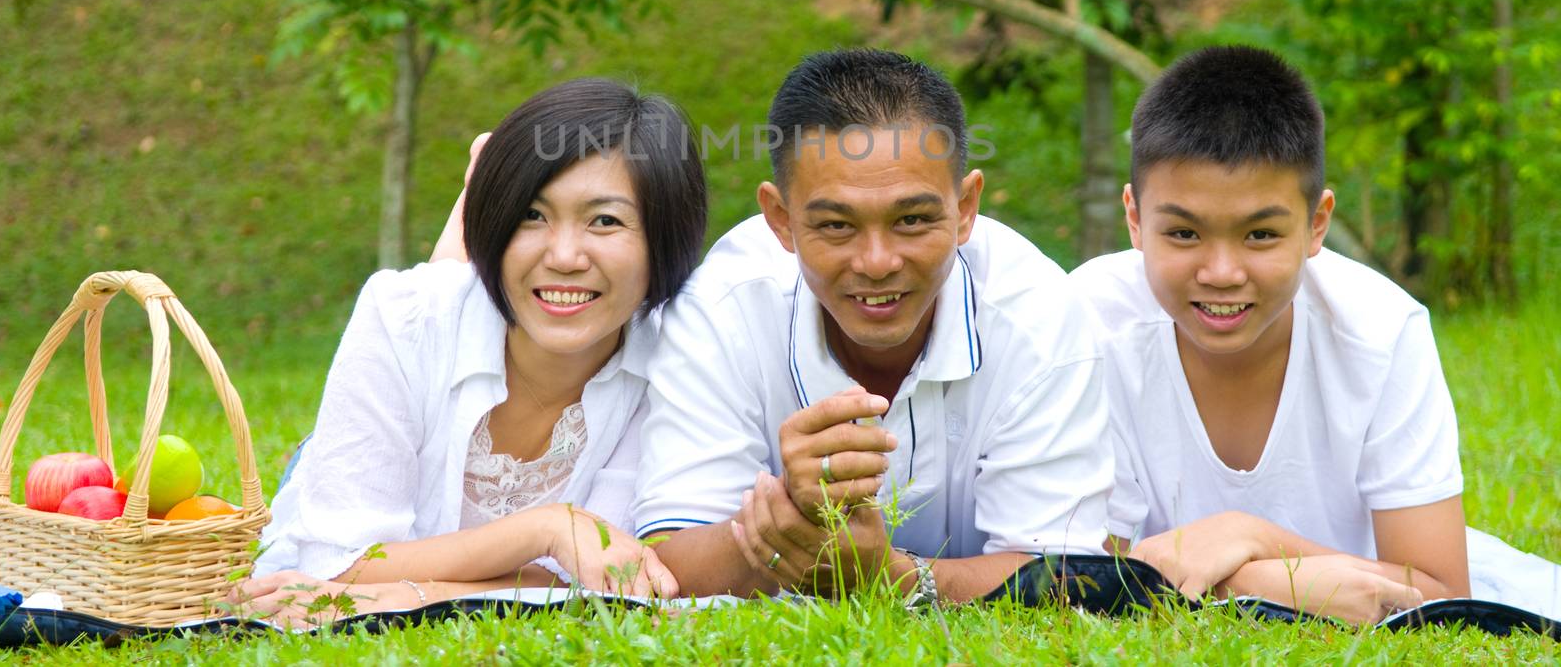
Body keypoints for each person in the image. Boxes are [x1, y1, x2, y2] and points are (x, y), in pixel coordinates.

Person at [634, 48, 1113, 604]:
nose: (877, 261)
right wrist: (791, 513)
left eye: (911, 220)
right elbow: (665, 563)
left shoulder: (1038, 316)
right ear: (780, 220)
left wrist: (887, 574)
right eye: (836, 225)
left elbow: (1064, 579)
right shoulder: (723, 310)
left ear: (965, 208)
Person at [239, 78, 706, 623]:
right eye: (532, 214)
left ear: (665, 239)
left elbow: (605, 581)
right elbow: (336, 566)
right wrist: (550, 527)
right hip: (369, 437)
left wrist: (400, 596)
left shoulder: (675, 365)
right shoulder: (399, 315)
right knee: (441, 301)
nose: (564, 254)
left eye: (605, 220)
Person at [1068, 46, 1468, 624]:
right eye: (1183, 233)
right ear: (1134, 218)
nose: (1223, 272)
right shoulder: (1088, 322)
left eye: (1260, 235)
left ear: (1316, 224)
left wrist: (1247, 535)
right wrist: (1265, 582)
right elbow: (1078, 571)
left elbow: (1442, 592)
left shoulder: (1381, 333)